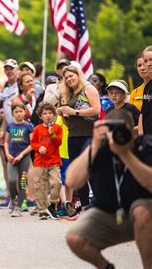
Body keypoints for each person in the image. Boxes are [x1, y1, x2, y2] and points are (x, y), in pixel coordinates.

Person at [65, 109, 152, 268]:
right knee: (74, 238)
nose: (117, 136)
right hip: (107, 212)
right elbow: (72, 181)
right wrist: (94, 145)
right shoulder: (98, 146)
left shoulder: (145, 145)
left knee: (141, 211)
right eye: (112, 131)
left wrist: (125, 155)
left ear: (133, 133)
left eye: (123, 131)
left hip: (143, 215)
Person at [58, 64, 101, 212]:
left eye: (71, 76)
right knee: (79, 174)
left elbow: (97, 110)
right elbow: (68, 121)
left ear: (78, 75)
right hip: (73, 136)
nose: (69, 79)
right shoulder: (69, 94)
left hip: (89, 135)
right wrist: (63, 115)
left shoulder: (88, 88)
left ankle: (99, 207)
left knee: (90, 171)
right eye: (66, 77)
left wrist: (74, 112)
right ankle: (84, 207)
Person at [30, 102, 63, 220]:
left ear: (54, 115)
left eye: (50, 113)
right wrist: (39, 147)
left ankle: (52, 204)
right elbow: (33, 143)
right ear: (40, 116)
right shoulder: (37, 129)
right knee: (40, 186)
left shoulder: (58, 128)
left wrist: (52, 133)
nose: (47, 115)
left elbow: (59, 142)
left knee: (57, 183)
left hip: (54, 161)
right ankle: (42, 209)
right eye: (45, 113)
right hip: (40, 162)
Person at [0, 59, 20, 208]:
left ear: (16, 69)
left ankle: (21, 196)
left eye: (11, 68)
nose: (8, 71)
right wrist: (2, 130)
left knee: (19, 164)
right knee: (7, 162)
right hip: (8, 127)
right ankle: (11, 194)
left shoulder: (20, 86)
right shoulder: (6, 87)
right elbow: (5, 112)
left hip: (20, 127)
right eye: (6, 69)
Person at [4, 102, 33, 217]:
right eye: (16, 112)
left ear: (25, 112)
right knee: (11, 180)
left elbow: (32, 144)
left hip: (24, 158)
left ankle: (19, 206)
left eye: (21, 111)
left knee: (22, 181)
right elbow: (6, 141)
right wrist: (7, 154)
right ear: (12, 113)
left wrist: (21, 155)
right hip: (11, 157)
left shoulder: (28, 126)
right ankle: (12, 199)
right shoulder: (10, 126)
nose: (18, 114)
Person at [138, 46, 152, 135]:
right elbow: (143, 115)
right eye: (146, 61)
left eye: (151, 60)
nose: (149, 64)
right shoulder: (148, 87)